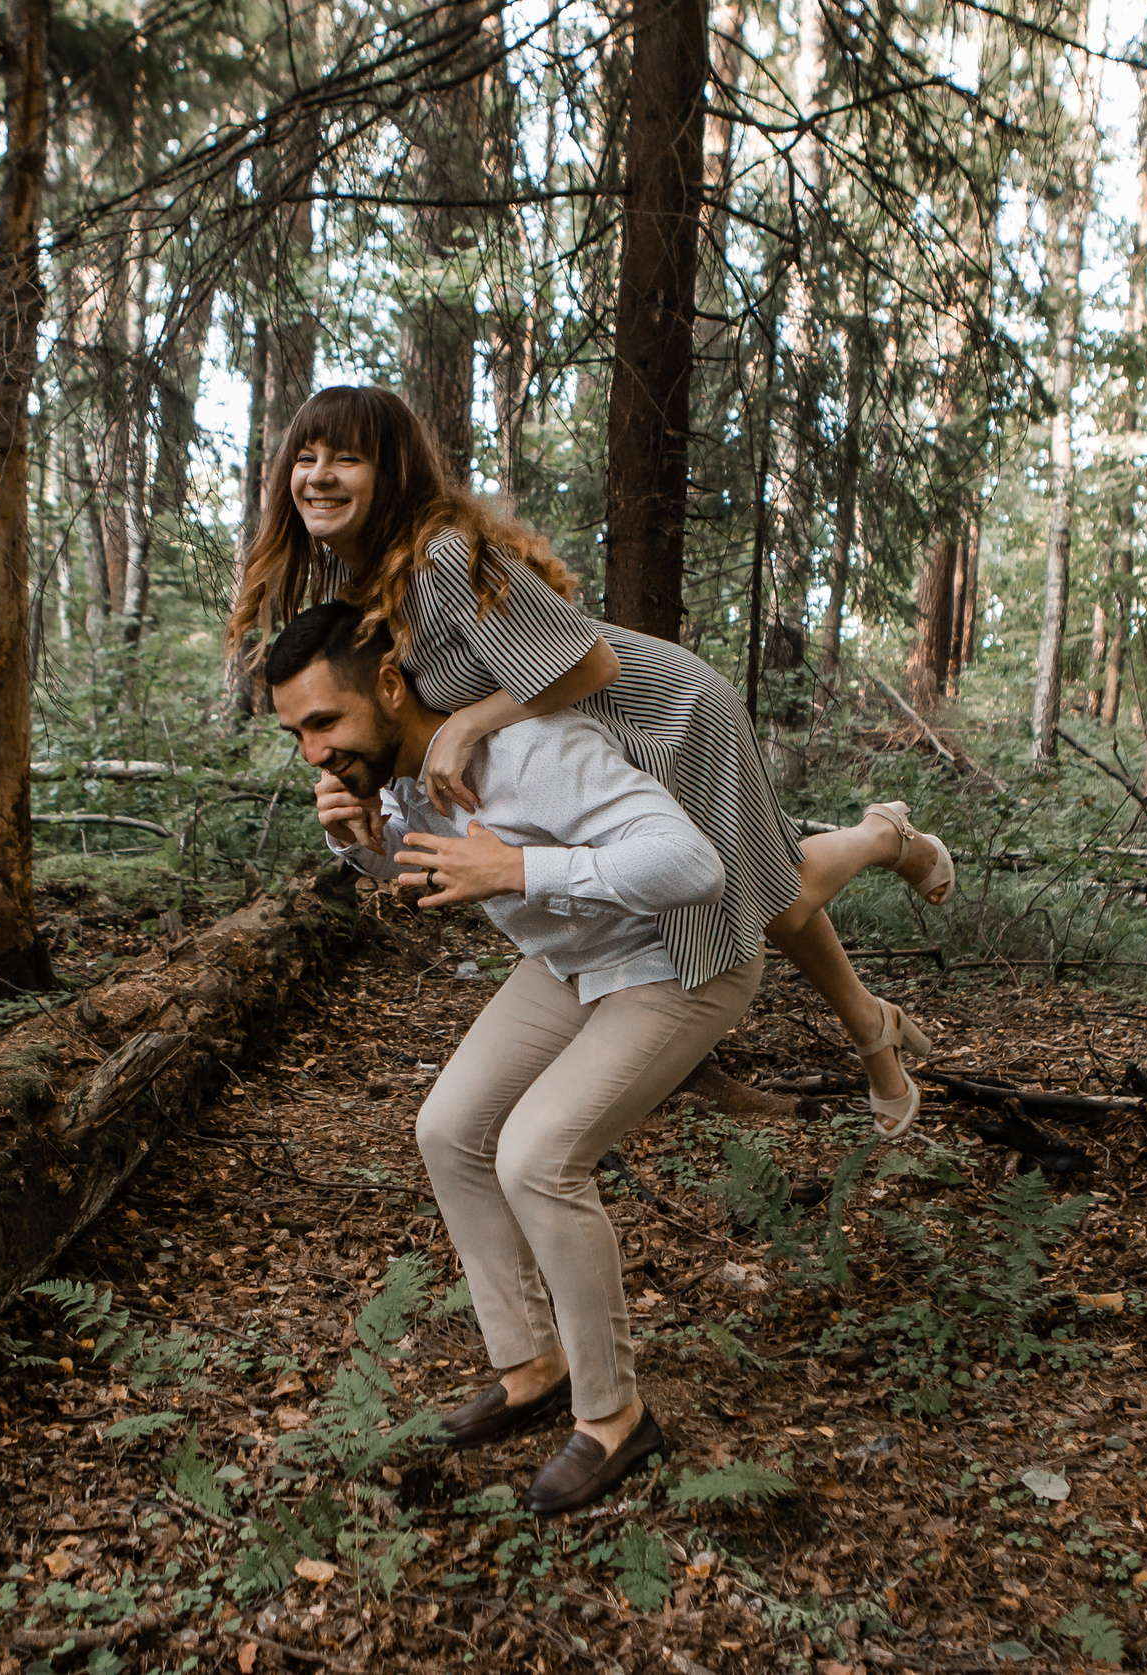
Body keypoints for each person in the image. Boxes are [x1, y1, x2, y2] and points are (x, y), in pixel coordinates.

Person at [225, 385, 954, 1137]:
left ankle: (884, 855)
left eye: (347, 458)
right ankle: (878, 1007)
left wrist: (470, 724)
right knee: (771, 893)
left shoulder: (442, 559)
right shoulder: (374, 582)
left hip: (660, 713)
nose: (319, 475)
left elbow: (593, 663)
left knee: (769, 899)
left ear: (395, 470)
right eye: (305, 457)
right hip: (587, 735)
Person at [266, 599, 745, 1514]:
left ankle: (615, 1417)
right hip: (575, 958)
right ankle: (533, 1363)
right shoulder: (402, 780)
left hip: (681, 955)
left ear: (392, 687)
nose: (312, 752)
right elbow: (430, 868)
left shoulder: (529, 753)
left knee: (538, 1156)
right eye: (296, 733)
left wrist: (523, 872)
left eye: (324, 722)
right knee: (448, 1128)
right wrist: (363, 845)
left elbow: (690, 863)